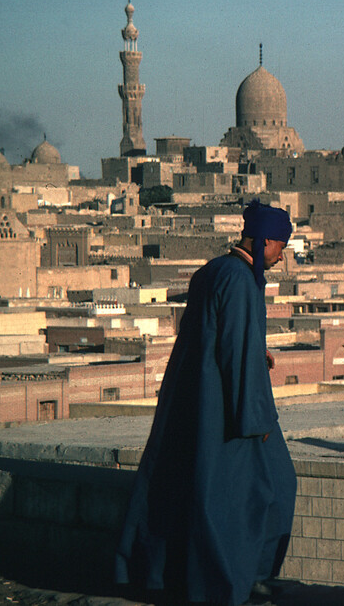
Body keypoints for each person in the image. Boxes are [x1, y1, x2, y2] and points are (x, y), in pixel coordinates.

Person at [115, 200, 296, 606]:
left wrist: (256, 354)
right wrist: (256, 418)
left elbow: (215, 337)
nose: (282, 256)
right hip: (232, 409)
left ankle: (194, 577)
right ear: (265, 240)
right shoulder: (240, 280)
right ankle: (239, 581)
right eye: (281, 246)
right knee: (263, 491)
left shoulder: (213, 270)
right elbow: (233, 349)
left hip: (200, 399)